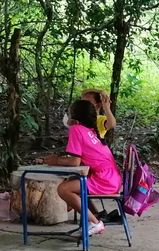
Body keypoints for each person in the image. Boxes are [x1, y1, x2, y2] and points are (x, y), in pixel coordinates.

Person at [45, 99, 124, 238]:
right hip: (112, 178)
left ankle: (94, 223)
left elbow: (75, 162)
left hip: (105, 180)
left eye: (69, 112)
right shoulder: (90, 130)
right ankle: (94, 216)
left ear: (75, 117)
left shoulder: (76, 130)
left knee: (63, 189)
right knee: (74, 179)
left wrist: (56, 160)